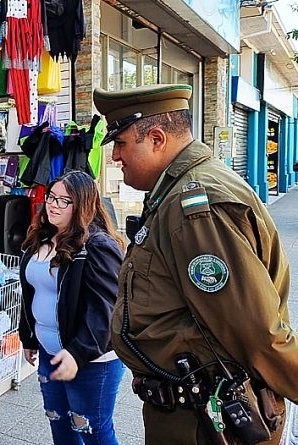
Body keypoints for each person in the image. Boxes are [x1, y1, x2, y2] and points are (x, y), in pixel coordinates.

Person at [93, 83, 298, 444]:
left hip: (208, 422)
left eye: (121, 143)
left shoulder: (195, 207)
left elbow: (256, 330)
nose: (114, 157)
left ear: (156, 139)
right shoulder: (178, 191)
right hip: (196, 413)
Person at [18, 170, 125, 445]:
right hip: (49, 353)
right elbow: (31, 293)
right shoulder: (40, 238)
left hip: (90, 360)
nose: (53, 205)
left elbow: (106, 310)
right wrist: (29, 337)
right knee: (60, 425)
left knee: (93, 431)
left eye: (64, 201)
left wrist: (77, 354)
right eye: (52, 197)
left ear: (83, 205)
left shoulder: (97, 246)